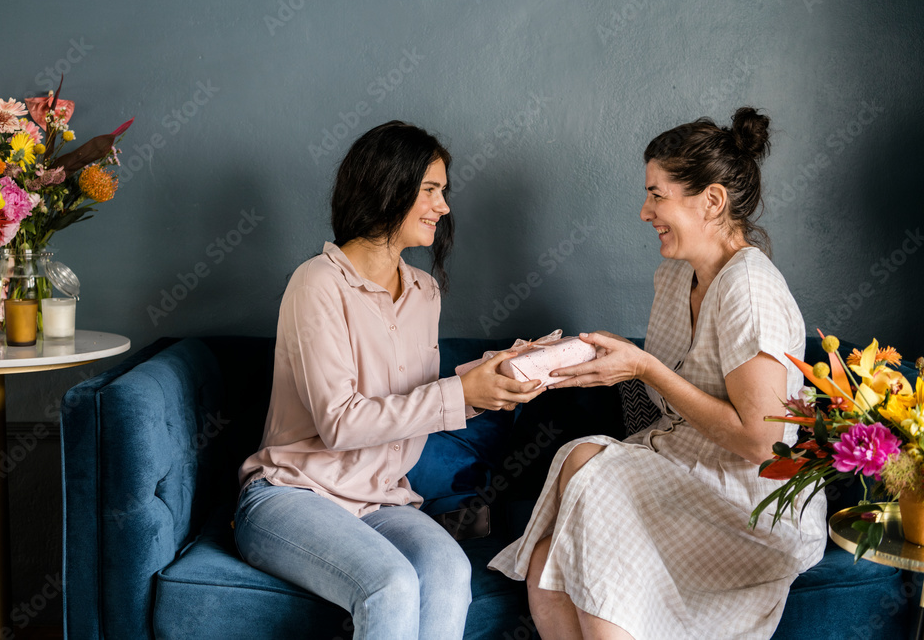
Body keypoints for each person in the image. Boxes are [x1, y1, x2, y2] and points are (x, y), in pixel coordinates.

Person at [488, 108, 826, 640]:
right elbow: (660, 410)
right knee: (548, 564)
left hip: (752, 501)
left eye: (657, 195)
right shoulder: (673, 277)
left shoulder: (749, 290)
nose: (645, 212)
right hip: (681, 466)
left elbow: (762, 443)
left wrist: (643, 366)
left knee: (584, 461)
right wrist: (601, 362)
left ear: (712, 201)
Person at [235, 120, 545, 640]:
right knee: (392, 583)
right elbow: (340, 424)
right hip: (292, 495)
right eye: (430, 190)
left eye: (443, 192)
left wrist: (488, 381)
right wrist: (457, 394)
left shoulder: (424, 290)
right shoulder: (318, 283)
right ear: (387, 186)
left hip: (381, 500)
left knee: (449, 573)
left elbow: (412, 400)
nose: (443, 207)